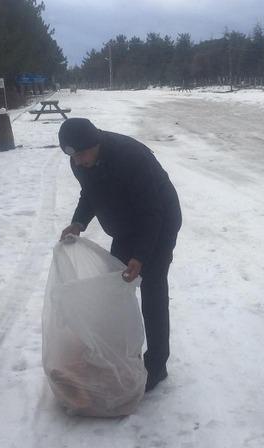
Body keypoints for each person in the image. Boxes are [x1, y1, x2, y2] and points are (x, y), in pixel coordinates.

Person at [58, 118, 181, 392]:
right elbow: (89, 193)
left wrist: (140, 256)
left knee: (152, 288)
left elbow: (153, 211)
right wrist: (78, 222)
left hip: (159, 221)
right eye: (73, 157)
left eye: (81, 155)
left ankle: (157, 365)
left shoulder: (132, 157)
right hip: (125, 224)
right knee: (116, 285)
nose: (77, 163)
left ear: (95, 145)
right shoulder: (79, 161)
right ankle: (119, 350)